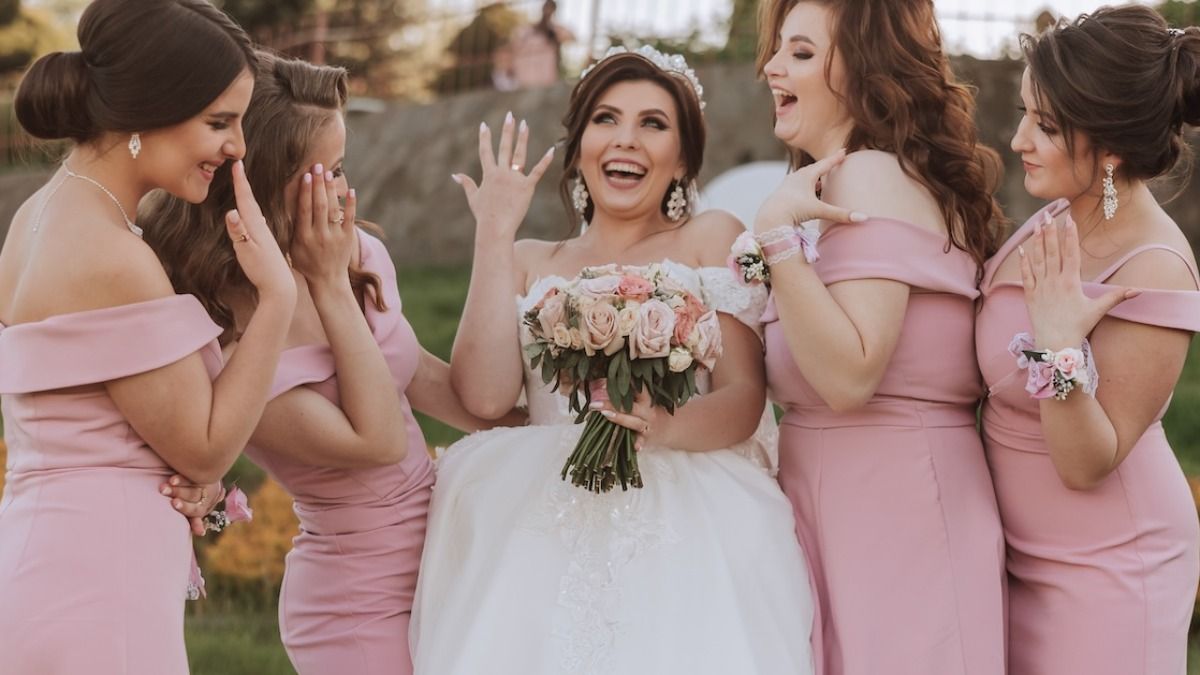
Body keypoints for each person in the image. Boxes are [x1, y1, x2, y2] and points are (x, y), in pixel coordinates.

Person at [409, 46, 839, 675]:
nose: (626, 139)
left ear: (683, 159)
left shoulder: (710, 238)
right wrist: (494, 235)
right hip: (537, 517)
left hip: (688, 515)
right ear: (580, 144)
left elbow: (744, 397)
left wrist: (662, 425)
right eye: (606, 119)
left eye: (653, 123)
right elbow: (483, 397)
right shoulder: (528, 259)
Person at [144, 51, 518, 675]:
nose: (345, 190)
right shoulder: (229, 337)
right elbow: (377, 441)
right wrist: (328, 284)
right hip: (357, 605)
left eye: (344, 166)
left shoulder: (355, 250)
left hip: (444, 562)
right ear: (261, 184)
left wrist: (549, 427)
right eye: (330, 172)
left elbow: (417, 374)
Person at [0, 1, 295, 673]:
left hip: (50, 568)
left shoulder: (36, 218)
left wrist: (191, 480)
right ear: (148, 109)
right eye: (219, 122)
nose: (238, 146)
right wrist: (278, 299)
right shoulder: (113, 257)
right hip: (98, 593)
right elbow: (206, 445)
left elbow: (109, 432)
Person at [753, 1, 1007, 673]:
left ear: (864, 71)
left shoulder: (869, 176)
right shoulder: (848, 180)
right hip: (846, 506)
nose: (771, 67)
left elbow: (850, 375)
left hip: (891, 513)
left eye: (801, 53)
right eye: (778, 49)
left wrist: (776, 238)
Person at [978, 6, 1200, 673]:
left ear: (1111, 149)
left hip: (1109, 572)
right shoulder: (1055, 215)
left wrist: (1057, 345)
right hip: (1011, 560)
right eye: (1025, 113)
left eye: (1046, 126)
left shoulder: (1155, 266)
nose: (1018, 139)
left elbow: (1086, 463)